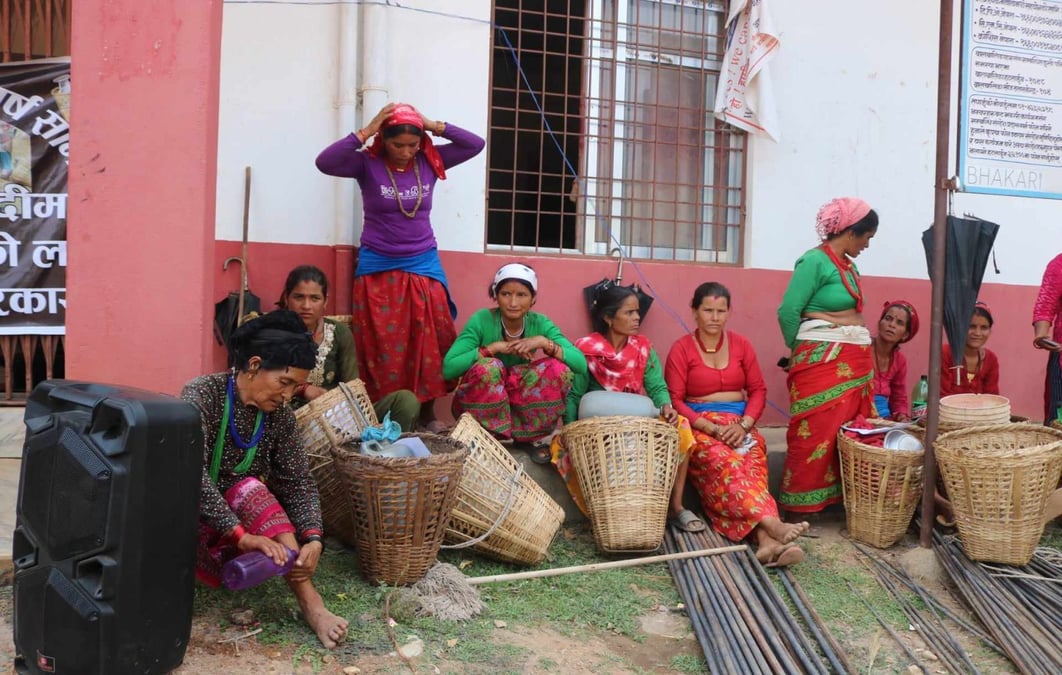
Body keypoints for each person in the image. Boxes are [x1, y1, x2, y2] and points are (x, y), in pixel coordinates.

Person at [181, 310, 348, 649]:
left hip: (238, 522)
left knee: (252, 490)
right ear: (254, 365)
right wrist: (240, 535)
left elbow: (297, 480)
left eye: (295, 387)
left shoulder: (279, 416)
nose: (287, 396)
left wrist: (313, 537)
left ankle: (312, 606)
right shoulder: (202, 395)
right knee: (240, 488)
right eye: (284, 383)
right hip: (185, 516)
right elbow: (189, 474)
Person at [315, 103, 485, 431]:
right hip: (378, 264)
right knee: (385, 345)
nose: (406, 152)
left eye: (413, 144)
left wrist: (431, 124)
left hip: (423, 261)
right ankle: (392, 413)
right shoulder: (367, 163)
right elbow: (325, 162)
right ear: (384, 140)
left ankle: (427, 413)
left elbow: (475, 144)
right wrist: (367, 130)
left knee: (431, 339)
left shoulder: (429, 160)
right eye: (398, 145)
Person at [665, 282, 807, 565]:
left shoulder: (742, 345)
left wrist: (743, 426)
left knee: (752, 462)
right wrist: (711, 428)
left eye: (721, 311)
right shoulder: (681, 349)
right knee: (726, 463)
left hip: (740, 424)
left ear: (729, 312)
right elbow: (675, 400)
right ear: (694, 311)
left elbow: (758, 391)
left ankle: (766, 542)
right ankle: (773, 525)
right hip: (702, 427)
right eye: (708, 310)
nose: (714, 317)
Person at [554, 284, 703, 531]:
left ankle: (676, 507)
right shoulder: (586, 350)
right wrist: (569, 428)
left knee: (682, 427)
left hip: (637, 419)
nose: (637, 318)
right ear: (608, 317)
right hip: (599, 426)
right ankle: (604, 511)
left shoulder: (643, 348)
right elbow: (575, 395)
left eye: (637, 312)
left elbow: (656, 387)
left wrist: (665, 406)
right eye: (629, 312)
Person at [776, 197, 876, 514]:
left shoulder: (849, 265)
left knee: (846, 432)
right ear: (851, 232)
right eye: (866, 237)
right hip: (822, 359)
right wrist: (801, 353)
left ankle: (833, 503)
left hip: (853, 361)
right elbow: (788, 311)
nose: (867, 245)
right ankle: (798, 508)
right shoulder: (814, 262)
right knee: (815, 432)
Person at [442, 263, 586, 448]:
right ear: (496, 295)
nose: (513, 303)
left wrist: (544, 342)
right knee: (490, 367)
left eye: (522, 295)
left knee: (559, 369)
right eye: (506, 294)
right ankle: (485, 437)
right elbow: (449, 368)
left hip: (519, 400)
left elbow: (580, 364)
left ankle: (526, 438)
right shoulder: (482, 320)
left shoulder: (540, 323)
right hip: (480, 406)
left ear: (533, 298)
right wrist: (492, 348)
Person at [280, 264, 420, 431]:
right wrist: (303, 389)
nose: (306, 306)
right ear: (287, 298)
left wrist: (334, 403)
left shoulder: (339, 333)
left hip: (335, 415)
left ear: (325, 301)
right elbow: (263, 383)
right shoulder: (271, 332)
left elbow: (352, 387)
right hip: (289, 417)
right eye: (299, 297)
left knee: (406, 401)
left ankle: (378, 446)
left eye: (315, 298)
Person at [871, 300, 919, 421]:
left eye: (899, 323)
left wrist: (901, 416)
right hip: (859, 416)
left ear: (905, 335)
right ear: (879, 323)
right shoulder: (863, 349)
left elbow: (898, 397)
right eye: (888, 319)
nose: (892, 325)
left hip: (884, 420)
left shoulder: (899, 360)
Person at [940, 301, 999, 396]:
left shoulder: (991, 359)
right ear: (961, 328)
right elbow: (942, 396)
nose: (977, 333)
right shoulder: (946, 353)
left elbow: (992, 398)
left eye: (984, 328)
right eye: (971, 326)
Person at [1033, 254, 1062, 423]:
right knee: (1058, 421)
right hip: (1061, 356)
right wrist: (1041, 335)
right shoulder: (1059, 264)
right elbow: (1045, 306)